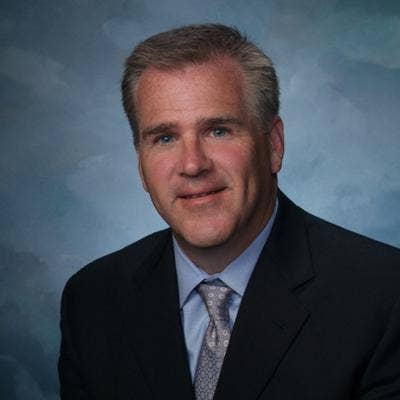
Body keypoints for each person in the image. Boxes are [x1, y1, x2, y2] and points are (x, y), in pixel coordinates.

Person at [58, 24, 400, 400]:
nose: (192, 165)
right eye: (165, 138)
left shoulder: (384, 296)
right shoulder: (92, 300)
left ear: (273, 145)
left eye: (218, 130)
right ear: (141, 163)